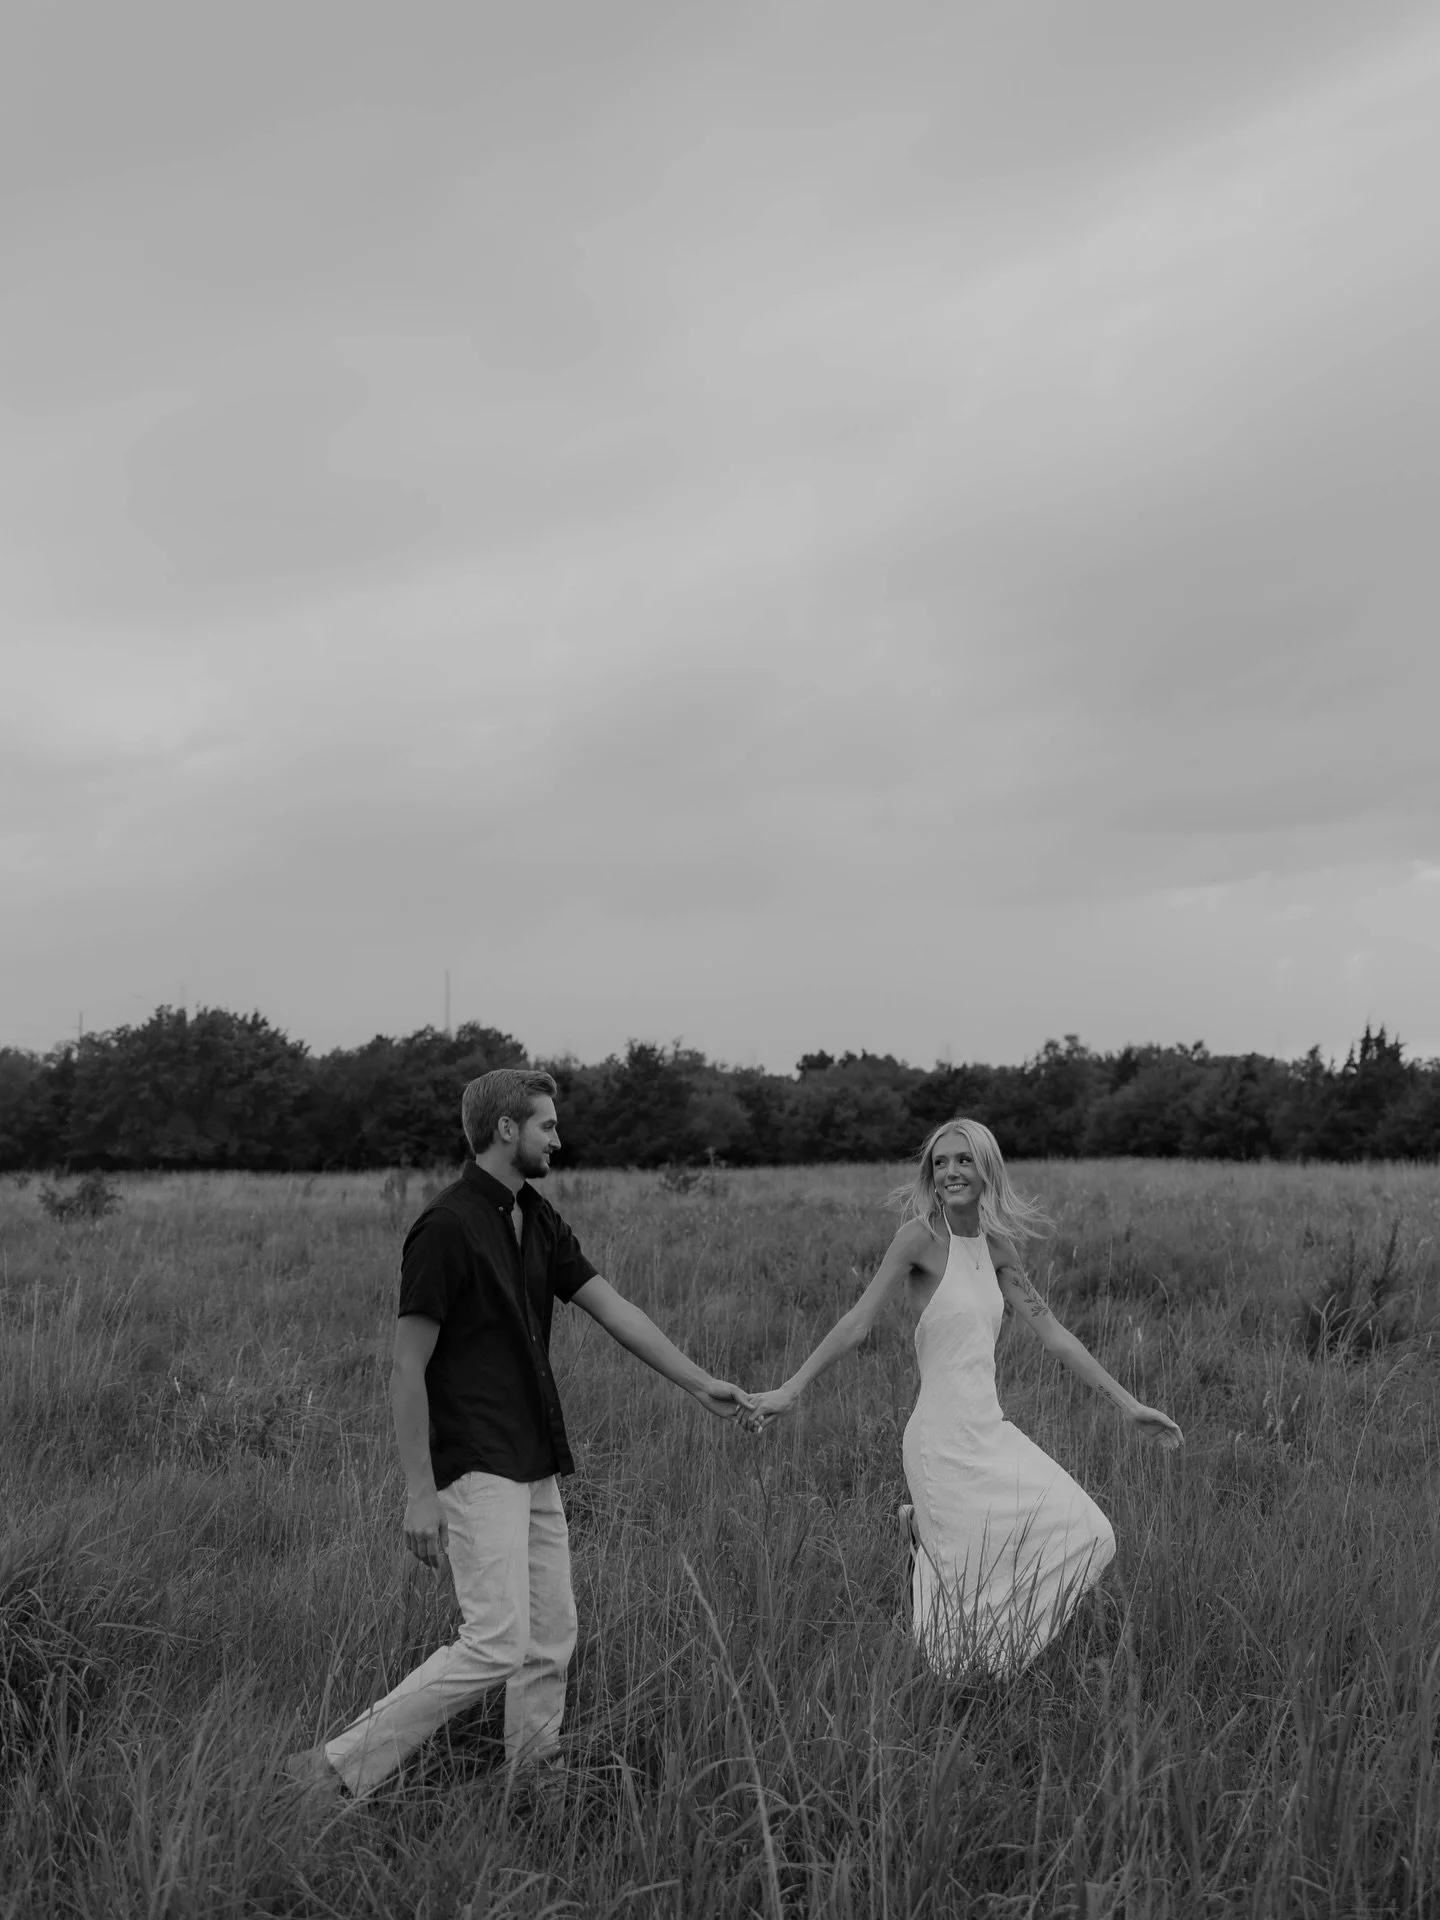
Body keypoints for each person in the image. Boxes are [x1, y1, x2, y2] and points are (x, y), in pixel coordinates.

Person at [287, 1068, 753, 1799]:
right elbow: (407, 1368)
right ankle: (333, 1769)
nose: (558, 1139)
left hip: (533, 1454)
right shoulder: (444, 1227)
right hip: (475, 1459)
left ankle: (535, 1778)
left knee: (549, 1634)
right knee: (495, 1641)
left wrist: (699, 1383)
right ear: (507, 1129)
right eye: (547, 1126)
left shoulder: (536, 1218)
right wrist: (419, 1493)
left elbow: (612, 1307)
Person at [747, 1118, 1182, 1674]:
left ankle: (985, 1645)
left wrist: (1129, 1406)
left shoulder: (999, 1249)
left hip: (989, 1431)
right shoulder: (919, 1239)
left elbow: (1054, 1334)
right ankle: (960, 1672)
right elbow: (857, 1322)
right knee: (958, 1612)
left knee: (1090, 1533)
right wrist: (789, 1390)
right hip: (939, 1441)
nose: (950, 1171)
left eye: (963, 1160)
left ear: (986, 1167)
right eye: (940, 1163)